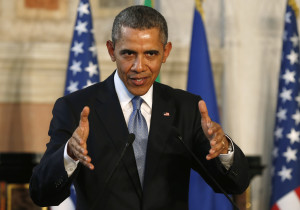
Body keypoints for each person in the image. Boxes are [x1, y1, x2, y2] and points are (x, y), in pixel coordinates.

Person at [30, 5, 249, 210]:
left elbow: (235, 185)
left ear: (166, 52)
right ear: (111, 50)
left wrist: (225, 150)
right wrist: (69, 154)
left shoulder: (185, 108)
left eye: (150, 54)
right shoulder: (75, 108)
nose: (139, 67)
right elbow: (41, 193)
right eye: (128, 53)